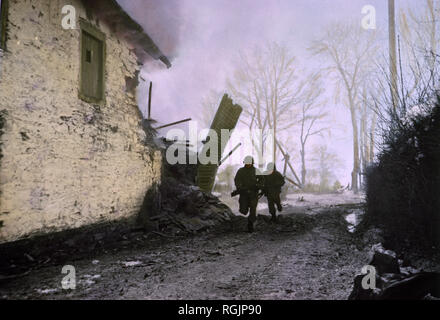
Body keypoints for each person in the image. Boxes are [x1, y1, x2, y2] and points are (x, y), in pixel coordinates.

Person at [234, 156, 261, 232]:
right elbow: (237, 180)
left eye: (249, 163)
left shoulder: (256, 170)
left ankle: (250, 224)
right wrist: (240, 187)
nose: (248, 164)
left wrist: (258, 186)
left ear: (252, 163)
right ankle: (247, 214)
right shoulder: (241, 171)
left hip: (253, 194)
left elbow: (262, 179)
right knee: (243, 210)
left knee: (253, 209)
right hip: (244, 193)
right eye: (247, 162)